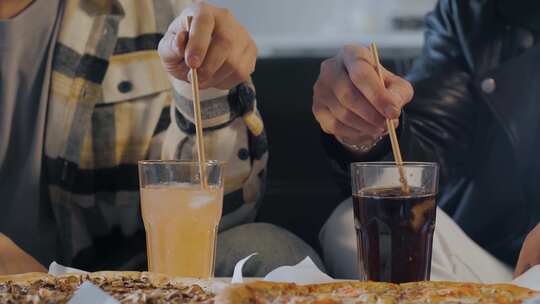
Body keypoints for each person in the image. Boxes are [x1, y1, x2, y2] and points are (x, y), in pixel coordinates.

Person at [0, 0, 322, 276]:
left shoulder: (158, 12)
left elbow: (219, 223)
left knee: (270, 250)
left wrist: (205, 88)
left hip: (114, 279)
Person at [313, 0, 540, 281]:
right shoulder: (473, 13)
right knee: (357, 227)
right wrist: (365, 127)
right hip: (498, 267)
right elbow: (424, 148)